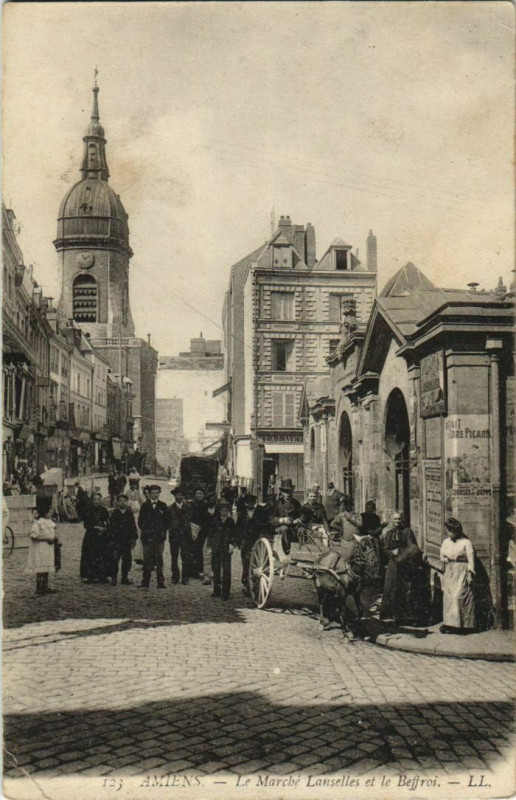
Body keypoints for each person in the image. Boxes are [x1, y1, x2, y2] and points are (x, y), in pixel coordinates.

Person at [380, 511, 425, 625]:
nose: (397, 522)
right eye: (395, 519)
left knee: (405, 589)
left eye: (399, 519)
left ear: (402, 520)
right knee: (391, 588)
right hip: (394, 564)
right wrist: (391, 552)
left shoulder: (407, 532)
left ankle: (406, 617)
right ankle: (391, 614)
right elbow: (385, 549)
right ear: (392, 520)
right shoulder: (389, 534)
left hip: (406, 564)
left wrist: (401, 552)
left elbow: (412, 546)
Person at [439, 517, 476, 634]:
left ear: (455, 530)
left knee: (459, 596)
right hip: (450, 571)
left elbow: (471, 559)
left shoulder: (466, 542)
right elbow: (441, 557)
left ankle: (464, 625)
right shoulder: (446, 542)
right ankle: (449, 624)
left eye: (449, 530)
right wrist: (448, 559)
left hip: (462, 571)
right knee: (449, 597)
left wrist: (470, 573)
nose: (447, 532)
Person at [237, 493, 271, 593]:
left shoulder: (260, 511)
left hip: (257, 539)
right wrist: (238, 541)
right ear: (245, 504)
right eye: (248, 503)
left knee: (256, 563)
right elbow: (238, 527)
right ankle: (247, 584)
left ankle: (255, 585)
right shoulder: (241, 513)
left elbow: (265, 523)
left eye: (252, 502)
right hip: (245, 540)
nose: (250, 504)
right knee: (246, 563)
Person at [26, 496, 59, 595]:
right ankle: (39, 587)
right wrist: (47, 539)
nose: (51, 513)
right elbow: (33, 537)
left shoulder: (50, 522)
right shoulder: (38, 524)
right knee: (41, 568)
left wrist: (54, 538)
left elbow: (51, 533)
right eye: (49, 511)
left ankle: (45, 586)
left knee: (46, 567)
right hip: (41, 549)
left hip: (48, 548)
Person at [138, 485, 168, 589]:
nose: (155, 495)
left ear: (159, 493)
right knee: (147, 560)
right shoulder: (145, 505)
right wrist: (148, 531)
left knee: (159, 560)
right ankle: (145, 581)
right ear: (149, 494)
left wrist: (161, 533)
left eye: (157, 493)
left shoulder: (163, 506)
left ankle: (161, 582)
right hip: (147, 538)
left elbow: (166, 522)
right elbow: (140, 522)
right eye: (153, 493)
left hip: (159, 538)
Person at [80, 491, 111, 583]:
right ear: (92, 500)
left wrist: (105, 528)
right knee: (90, 555)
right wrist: (95, 527)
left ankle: (102, 575)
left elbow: (107, 522)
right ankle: (89, 576)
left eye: (98, 499)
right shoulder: (88, 510)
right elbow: (86, 525)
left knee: (102, 554)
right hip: (91, 535)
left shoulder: (104, 510)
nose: (97, 501)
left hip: (101, 536)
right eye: (95, 499)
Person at [210, 501, 238, 600]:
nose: (224, 513)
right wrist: (211, 546)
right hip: (216, 548)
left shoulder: (231, 522)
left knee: (226, 570)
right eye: (222, 511)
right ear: (219, 511)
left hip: (226, 548)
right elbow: (211, 534)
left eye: (226, 511)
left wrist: (232, 545)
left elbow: (234, 534)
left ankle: (226, 592)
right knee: (216, 569)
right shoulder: (214, 521)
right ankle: (216, 590)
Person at [108, 494, 138, 585]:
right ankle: (114, 577)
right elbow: (111, 528)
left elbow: (133, 526)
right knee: (114, 560)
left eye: (124, 501)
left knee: (127, 560)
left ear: (127, 502)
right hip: (116, 541)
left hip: (127, 541)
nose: (122, 503)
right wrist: (111, 540)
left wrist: (133, 538)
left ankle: (125, 577)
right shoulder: (114, 513)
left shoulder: (129, 513)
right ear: (117, 502)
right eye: (120, 500)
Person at [269, 479, 302, 555]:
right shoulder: (277, 504)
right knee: (285, 529)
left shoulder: (296, 503)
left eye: (289, 491)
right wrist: (282, 520)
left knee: (301, 530)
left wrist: (298, 520)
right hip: (279, 527)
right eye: (286, 492)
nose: (288, 494)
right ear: (282, 492)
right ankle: (287, 553)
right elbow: (270, 518)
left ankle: (300, 553)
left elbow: (301, 515)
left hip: (293, 526)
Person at [167, 486, 192, 585]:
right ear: (174, 496)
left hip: (185, 536)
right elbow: (167, 522)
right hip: (174, 536)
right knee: (174, 557)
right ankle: (175, 576)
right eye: (178, 495)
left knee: (185, 557)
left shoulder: (188, 507)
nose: (180, 497)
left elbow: (191, 520)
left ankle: (185, 577)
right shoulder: (170, 509)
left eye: (181, 495)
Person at [189, 487, 208, 578]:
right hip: (193, 529)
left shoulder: (205, 505)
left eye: (201, 493)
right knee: (193, 549)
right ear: (195, 495)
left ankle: (200, 570)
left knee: (200, 550)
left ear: (203, 495)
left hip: (203, 530)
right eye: (197, 493)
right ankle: (192, 570)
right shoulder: (191, 504)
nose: (199, 495)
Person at [201, 493, 219, 585]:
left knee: (217, 557)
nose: (212, 501)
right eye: (210, 500)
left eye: (213, 499)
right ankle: (207, 577)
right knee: (207, 557)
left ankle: (217, 576)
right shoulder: (204, 511)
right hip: (207, 536)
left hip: (217, 537)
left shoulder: (219, 511)